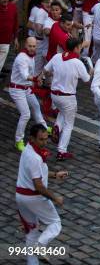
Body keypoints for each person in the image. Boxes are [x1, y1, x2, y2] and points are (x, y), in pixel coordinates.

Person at [15, 124, 67, 265]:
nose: (44, 142)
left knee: (32, 232)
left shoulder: (28, 150)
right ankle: (40, 246)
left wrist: (55, 175)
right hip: (34, 197)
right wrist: (55, 198)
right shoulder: (35, 158)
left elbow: (39, 173)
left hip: (21, 197)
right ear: (32, 138)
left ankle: (32, 262)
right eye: (41, 139)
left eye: (46, 139)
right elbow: (38, 185)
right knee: (55, 223)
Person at [42, 37, 92, 160]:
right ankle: (62, 151)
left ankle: (57, 126)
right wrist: (91, 71)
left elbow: (46, 70)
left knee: (62, 112)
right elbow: (86, 79)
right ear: (75, 48)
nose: (81, 49)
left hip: (55, 95)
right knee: (69, 124)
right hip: (68, 97)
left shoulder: (57, 57)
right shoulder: (77, 63)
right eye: (80, 47)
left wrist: (55, 74)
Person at [9, 37, 48, 152]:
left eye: (34, 46)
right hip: (17, 89)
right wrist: (36, 79)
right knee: (26, 114)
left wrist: (34, 82)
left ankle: (44, 128)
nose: (32, 48)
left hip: (26, 88)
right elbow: (25, 75)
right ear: (25, 45)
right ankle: (18, 141)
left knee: (36, 106)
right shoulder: (22, 58)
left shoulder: (31, 56)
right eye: (30, 46)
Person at [0, 0, 19, 74]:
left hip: (6, 41)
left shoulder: (13, 7)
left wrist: (15, 38)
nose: (5, 0)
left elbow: (15, 23)